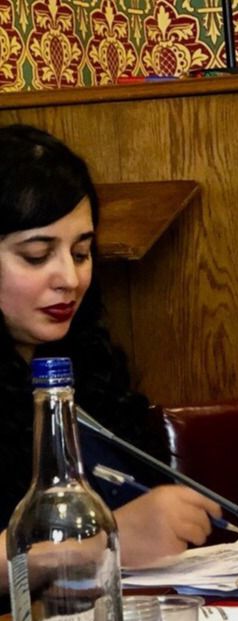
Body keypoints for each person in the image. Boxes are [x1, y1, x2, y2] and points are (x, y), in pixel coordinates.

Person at [0, 124, 222, 577]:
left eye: (81, 253)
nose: (69, 278)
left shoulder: (81, 364)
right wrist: (101, 544)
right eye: (37, 255)